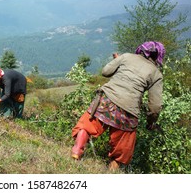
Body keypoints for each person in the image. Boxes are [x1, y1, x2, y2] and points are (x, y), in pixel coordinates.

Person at [70, 41, 165, 170]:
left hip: (106, 99)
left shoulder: (126, 57)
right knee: (122, 146)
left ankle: (77, 151)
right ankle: (112, 172)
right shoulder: (156, 74)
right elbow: (155, 106)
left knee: (87, 125)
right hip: (128, 111)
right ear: (158, 56)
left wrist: (118, 61)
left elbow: (105, 72)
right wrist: (151, 122)